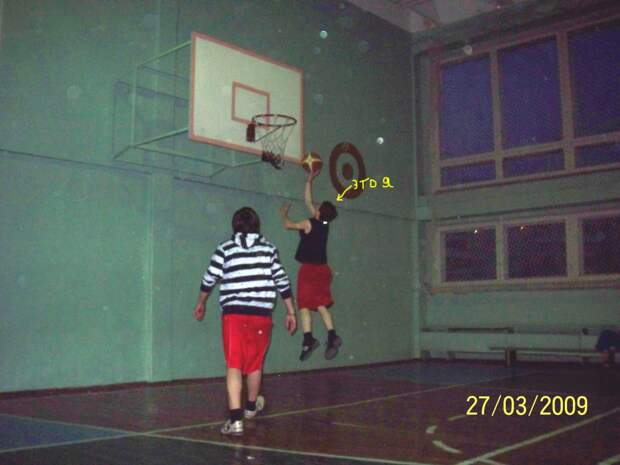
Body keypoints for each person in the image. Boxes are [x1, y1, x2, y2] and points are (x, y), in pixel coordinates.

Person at [193, 207, 296, 436]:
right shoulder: (269, 250)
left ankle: (235, 420)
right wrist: (291, 312)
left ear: (235, 226)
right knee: (255, 365)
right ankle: (250, 408)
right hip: (262, 314)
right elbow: (282, 281)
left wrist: (201, 302)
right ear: (257, 226)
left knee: (234, 365)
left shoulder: (225, 249)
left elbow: (209, 278)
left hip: (235, 314)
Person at [279, 169, 341, 361]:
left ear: (320, 212)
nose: (315, 206)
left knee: (304, 305)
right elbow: (308, 201)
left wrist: (283, 214)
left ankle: (308, 339)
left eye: (318, 206)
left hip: (310, 270)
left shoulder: (309, 223)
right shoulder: (325, 224)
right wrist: (309, 180)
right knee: (321, 305)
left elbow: (288, 225)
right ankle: (332, 335)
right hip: (324, 270)